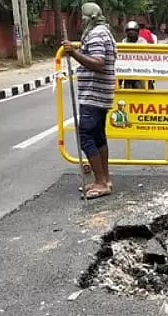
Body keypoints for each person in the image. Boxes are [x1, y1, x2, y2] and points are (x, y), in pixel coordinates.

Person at [62, 2, 116, 199]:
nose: (82, 20)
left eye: (84, 17)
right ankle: (104, 179)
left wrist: (74, 53)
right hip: (100, 93)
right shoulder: (104, 31)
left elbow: (99, 63)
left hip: (94, 94)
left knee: (85, 135)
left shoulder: (96, 34)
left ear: (90, 18)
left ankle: (101, 182)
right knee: (98, 136)